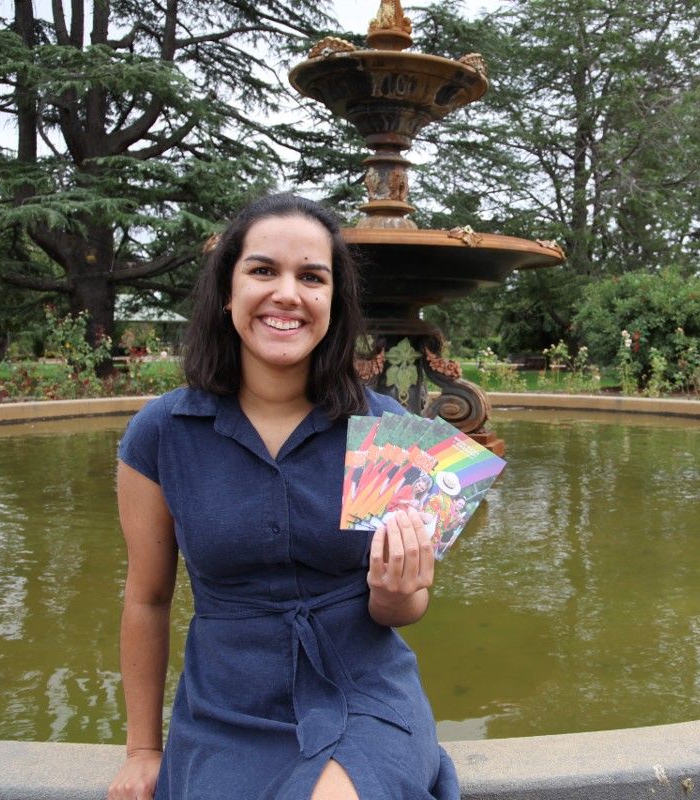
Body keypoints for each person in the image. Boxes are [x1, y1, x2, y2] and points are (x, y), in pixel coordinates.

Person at [107, 194, 457, 800]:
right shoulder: (161, 434)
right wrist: (142, 750)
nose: (287, 294)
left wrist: (400, 593)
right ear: (228, 290)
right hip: (227, 703)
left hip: (361, 690)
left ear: (332, 302)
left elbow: (403, 612)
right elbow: (147, 598)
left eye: (311, 277)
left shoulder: (386, 432)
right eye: (264, 270)